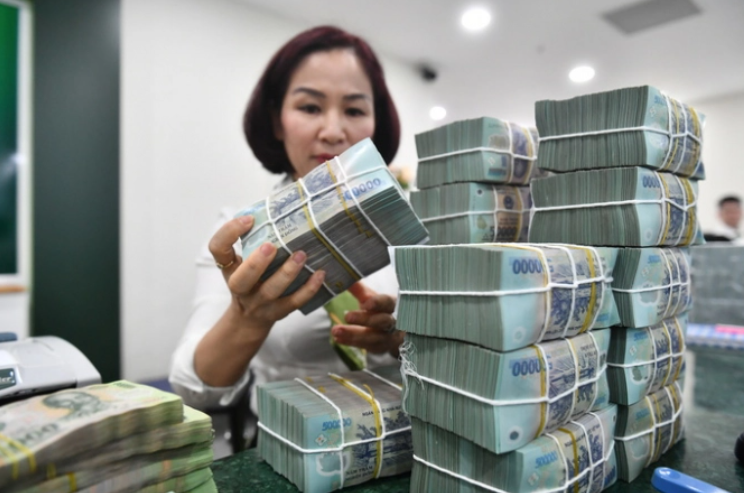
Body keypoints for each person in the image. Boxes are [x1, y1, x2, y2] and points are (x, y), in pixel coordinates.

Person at [168, 26, 405, 432]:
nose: (333, 131)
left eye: (354, 110)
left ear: (376, 123)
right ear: (277, 121)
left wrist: (401, 342)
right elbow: (194, 390)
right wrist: (246, 319)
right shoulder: (239, 236)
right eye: (310, 107)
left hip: (401, 436)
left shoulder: (411, 226)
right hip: (286, 442)